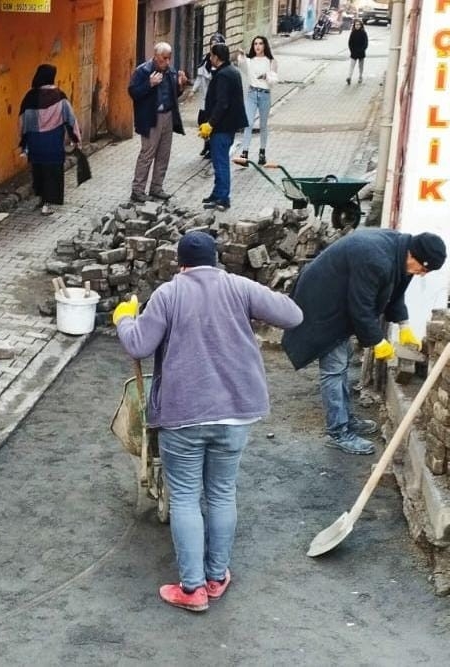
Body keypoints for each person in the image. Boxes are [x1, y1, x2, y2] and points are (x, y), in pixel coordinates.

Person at [113, 231, 302, 612]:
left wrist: (124, 320)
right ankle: (217, 577)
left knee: (184, 496)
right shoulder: (238, 286)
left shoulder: (169, 293)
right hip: (235, 412)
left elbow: (138, 345)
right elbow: (292, 315)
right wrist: (252, 300)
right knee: (221, 492)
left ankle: (193, 588)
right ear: (215, 260)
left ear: (181, 264)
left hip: (184, 415)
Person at [282, 230, 447, 455]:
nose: (422, 274)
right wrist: (377, 341)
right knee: (334, 368)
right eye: (424, 269)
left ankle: (345, 419)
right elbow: (361, 307)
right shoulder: (375, 258)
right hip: (321, 304)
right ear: (415, 256)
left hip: (339, 300)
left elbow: (395, 293)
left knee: (342, 362)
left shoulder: (402, 253)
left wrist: (404, 325)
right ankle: (338, 432)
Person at [18, 63, 81, 216]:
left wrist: (23, 142)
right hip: (53, 143)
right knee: (51, 174)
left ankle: (40, 198)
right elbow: (70, 119)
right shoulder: (60, 96)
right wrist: (76, 138)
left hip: (35, 143)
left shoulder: (29, 97)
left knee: (38, 171)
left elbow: (22, 121)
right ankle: (47, 204)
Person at [128, 42, 187, 203]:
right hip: (150, 117)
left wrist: (181, 85)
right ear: (155, 56)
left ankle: (156, 187)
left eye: (169, 58)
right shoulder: (143, 71)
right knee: (147, 154)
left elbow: (174, 93)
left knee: (163, 154)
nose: (167, 62)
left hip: (167, 115)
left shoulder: (170, 71)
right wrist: (150, 84)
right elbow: (133, 92)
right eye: (164, 59)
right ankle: (138, 190)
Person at [201, 43, 248, 212]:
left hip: (222, 127)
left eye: (211, 56)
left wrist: (210, 124)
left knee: (220, 162)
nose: (210, 58)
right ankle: (216, 193)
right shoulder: (232, 71)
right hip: (230, 125)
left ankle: (223, 198)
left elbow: (222, 103)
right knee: (218, 160)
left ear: (216, 57)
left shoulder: (222, 76)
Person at [237, 36, 278, 166]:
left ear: (265, 45)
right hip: (252, 93)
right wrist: (242, 56)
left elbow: (274, 81)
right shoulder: (250, 60)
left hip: (265, 94)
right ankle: (245, 152)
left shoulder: (271, 61)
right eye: (255, 44)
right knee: (248, 123)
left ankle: (262, 152)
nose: (258, 46)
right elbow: (242, 66)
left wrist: (267, 76)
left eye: (260, 43)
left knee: (263, 125)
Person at [190, 33, 225, 160]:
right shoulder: (206, 61)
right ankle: (206, 144)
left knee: (212, 123)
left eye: (216, 44)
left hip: (215, 100)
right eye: (212, 44)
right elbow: (200, 77)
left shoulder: (222, 64)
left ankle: (212, 148)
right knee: (201, 121)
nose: (213, 46)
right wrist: (193, 90)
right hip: (204, 98)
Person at [346, 19, 368, 85]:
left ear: (361, 25)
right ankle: (349, 77)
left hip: (361, 52)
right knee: (351, 66)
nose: (357, 26)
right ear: (354, 25)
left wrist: (362, 49)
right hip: (354, 52)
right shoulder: (353, 33)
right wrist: (352, 50)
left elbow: (366, 43)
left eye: (358, 25)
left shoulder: (363, 33)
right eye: (356, 25)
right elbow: (350, 43)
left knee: (361, 66)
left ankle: (360, 77)